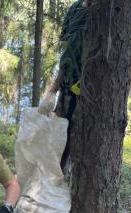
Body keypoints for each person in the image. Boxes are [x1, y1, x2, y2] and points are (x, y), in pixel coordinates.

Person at [49, 0, 88, 172]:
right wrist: (53, 90)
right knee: (61, 131)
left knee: (81, 135)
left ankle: (71, 174)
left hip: (92, 89)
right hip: (69, 85)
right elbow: (66, 51)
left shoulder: (106, 13)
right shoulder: (76, 8)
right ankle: (56, 174)